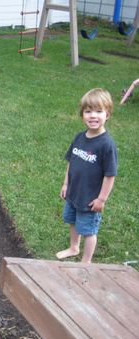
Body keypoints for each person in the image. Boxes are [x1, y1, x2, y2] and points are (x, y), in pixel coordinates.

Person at [56, 88, 118, 263]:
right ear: (82, 114)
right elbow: (71, 162)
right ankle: (74, 247)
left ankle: (86, 262)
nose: (93, 115)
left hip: (90, 199)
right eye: (88, 111)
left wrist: (101, 199)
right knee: (72, 221)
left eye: (99, 111)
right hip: (74, 193)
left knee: (89, 230)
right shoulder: (79, 137)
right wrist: (66, 184)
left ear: (108, 115)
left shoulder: (106, 145)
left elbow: (110, 175)